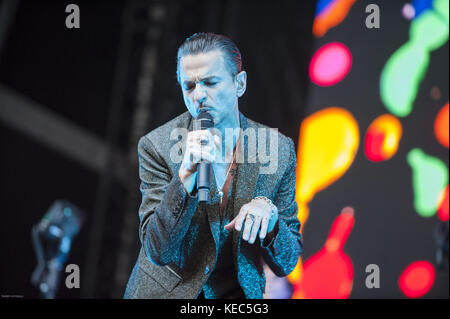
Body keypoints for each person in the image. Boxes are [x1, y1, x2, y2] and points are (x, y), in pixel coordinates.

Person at [124, 32, 302, 299]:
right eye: (190, 86)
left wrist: (272, 222)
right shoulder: (157, 146)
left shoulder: (278, 149)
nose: (199, 96)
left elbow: (287, 262)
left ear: (239, 84)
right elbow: (157, 250)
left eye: (210, 82)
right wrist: (184, 178)